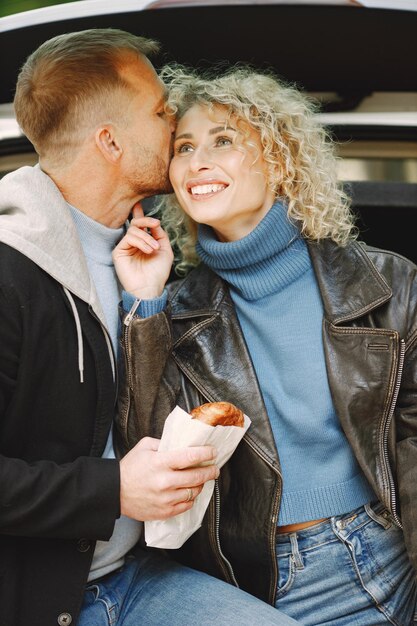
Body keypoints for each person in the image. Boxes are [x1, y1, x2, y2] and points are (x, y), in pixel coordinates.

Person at [0, 31, 301, 626]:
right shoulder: (12, 273)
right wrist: (109, 490)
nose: (175, 122)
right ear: (110, 140)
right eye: (161, 112)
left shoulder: (158, 255)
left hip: (140, 575)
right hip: (39, 598)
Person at [114, 64, 417, 626]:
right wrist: (146, 303)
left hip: (396, 554)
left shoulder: (387, 282)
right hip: (275, 582)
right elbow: (151, 452)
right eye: (183, 146)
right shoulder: (169, 311)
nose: (196, 161)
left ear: (280, 160)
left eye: (223, 140)